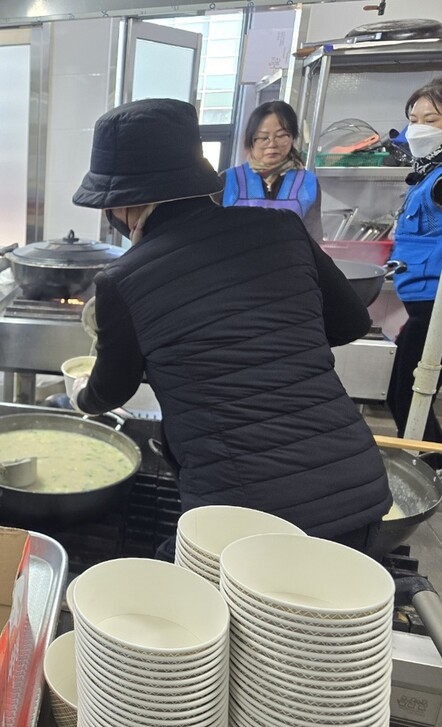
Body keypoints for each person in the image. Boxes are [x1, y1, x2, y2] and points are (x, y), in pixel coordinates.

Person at [69, 98, 390, 559]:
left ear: (126, 203)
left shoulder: (123, 279)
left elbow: (112, 389)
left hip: (244, 517)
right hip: (355, 490)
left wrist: (81, 393)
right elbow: (348, 322)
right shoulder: (280, 229)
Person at [386, 77, 442, 449]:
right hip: (422, 309)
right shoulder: (426, 176)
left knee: (408, 397)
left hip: (437, 311)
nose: (419, 127)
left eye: (432, 119)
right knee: (409, 396)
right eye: (414, 118)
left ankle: (428, 471)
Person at [218, 100, 325, 242]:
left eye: (281, 136)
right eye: (263, 138)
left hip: (290, 261)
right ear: (251, 140)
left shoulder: (307, 182)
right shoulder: (227, 180)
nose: (272, 144)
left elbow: (314, 238)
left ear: (292, 137)